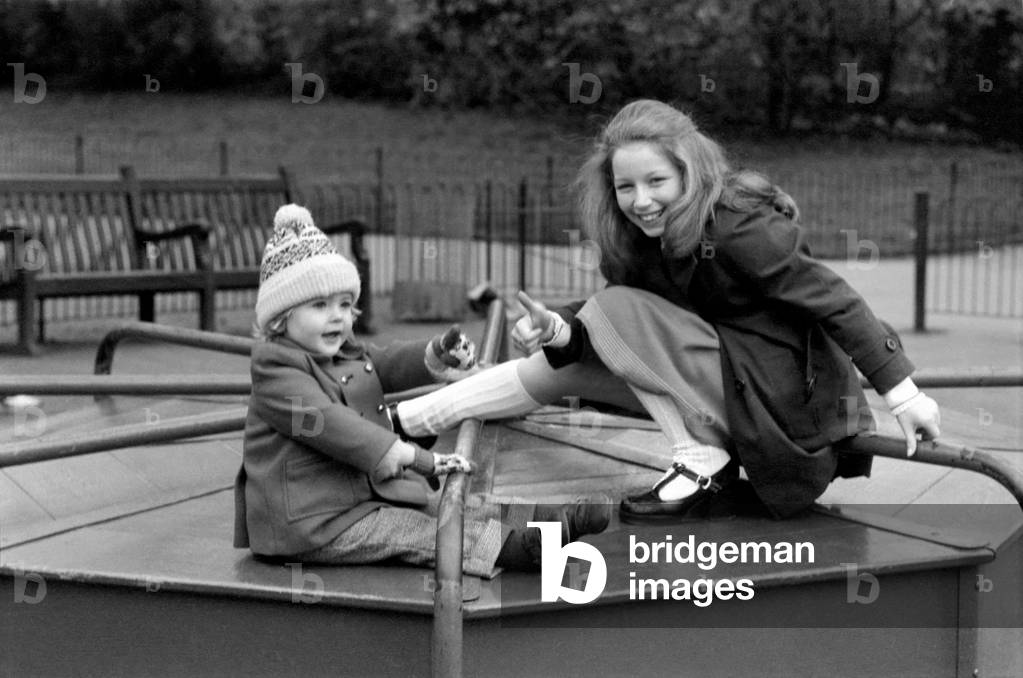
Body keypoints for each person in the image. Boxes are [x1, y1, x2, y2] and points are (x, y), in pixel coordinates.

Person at [392, 99, 941, 520]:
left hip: (779, 408)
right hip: (723, 386)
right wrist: (559, 328)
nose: (641, 200)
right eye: (625, 186)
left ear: (689, 172)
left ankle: (702, 461)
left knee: (615, 309)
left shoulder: (738, 225)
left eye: (656, 181)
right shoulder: (639, 240)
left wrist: (904, 393)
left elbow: (836, 300)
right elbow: (624, 327)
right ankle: (411, 421)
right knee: (569, 362)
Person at [233, 204, 610, 577]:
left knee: (442, 504)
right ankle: (522, 550)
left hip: (359, 497)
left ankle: (549, 521)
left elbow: (380, 365)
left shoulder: (340, 351)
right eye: (320, 305)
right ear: (281, 319)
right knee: (420, 531)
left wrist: (432, 355)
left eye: (346, 304)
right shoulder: (276, 370)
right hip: (311, 522)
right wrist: (403, 453)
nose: (338, 316)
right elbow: (326, 424)